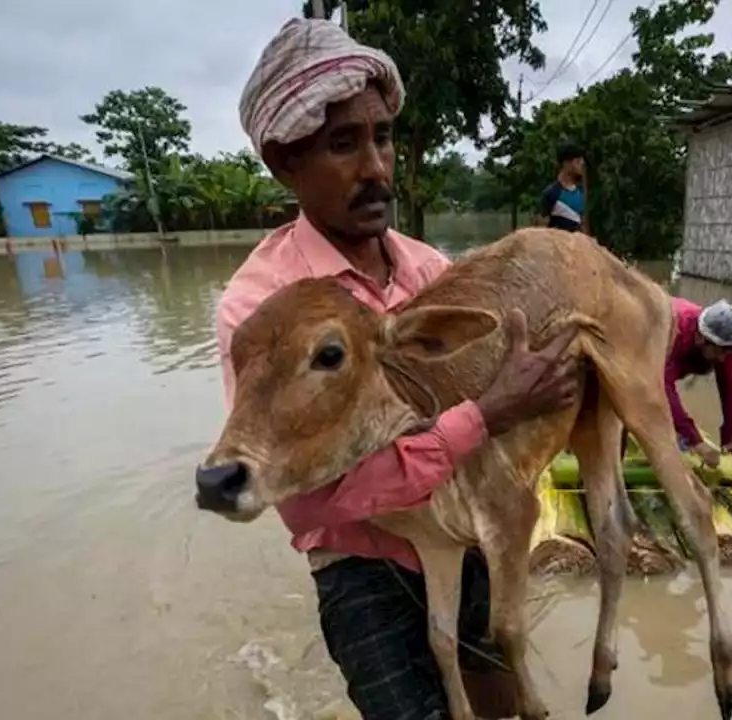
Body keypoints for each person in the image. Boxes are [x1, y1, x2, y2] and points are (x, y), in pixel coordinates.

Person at [216, 18, 579, 720]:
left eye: (381, 136)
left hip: (464, 536)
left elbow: (494, 406)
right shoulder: (257, 309)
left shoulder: (433, 273)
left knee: (498, 691)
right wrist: (488, 414)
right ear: (284, 163)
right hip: (362, 572)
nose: (376, 167)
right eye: (342, 144)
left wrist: (544, 394)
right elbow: (307, 496)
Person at [623, 297, 732, 468]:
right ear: (701, 338)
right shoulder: (675, 335)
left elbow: (730, 387)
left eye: (729, 352)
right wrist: (694, 440)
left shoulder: (722, 345)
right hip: (635, 343)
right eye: (719, 351)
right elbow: (663, 387)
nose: (723, 359)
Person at [536, 142, 588, 234]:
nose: (582, 163)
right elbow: (541, 232)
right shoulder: (551, 193)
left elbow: (583, 225)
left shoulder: (580, 192)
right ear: (566, 163)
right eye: (578, 161)